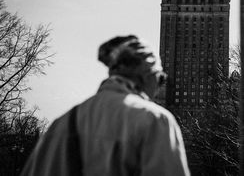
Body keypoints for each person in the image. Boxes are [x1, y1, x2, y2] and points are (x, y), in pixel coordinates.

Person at [21, 35, 190, 176]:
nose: (159, 85)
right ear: (146, 75)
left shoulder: (60, 124)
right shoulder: (154, 120)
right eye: (160, 78)